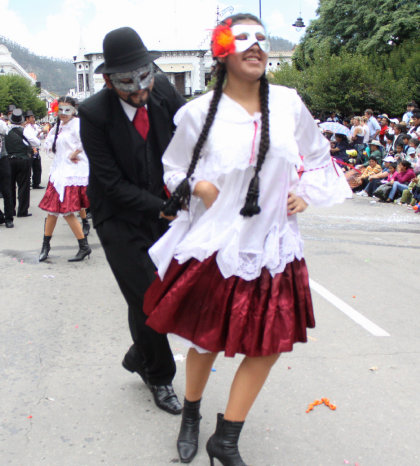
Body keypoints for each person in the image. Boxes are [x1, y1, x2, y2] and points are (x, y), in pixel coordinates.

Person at [143, 13, 352, 465]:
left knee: (269, 346)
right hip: (218, 245)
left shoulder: (289, 103)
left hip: (274, 246)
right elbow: (174, 167)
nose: (256, 45)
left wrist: (303, 193)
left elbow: (317, 157)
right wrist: (197, 186)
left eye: (262, 37)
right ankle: (192, 414)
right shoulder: (198, 112)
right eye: (243, 38)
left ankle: (227, 438)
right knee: (206, 341)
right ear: (222, 51)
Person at [78, 27, 185, 415]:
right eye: (128, 84)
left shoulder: (163, 93)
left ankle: (139, 351)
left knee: (165, 291)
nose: (140, 92)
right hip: (118, 216)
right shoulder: (93, 114)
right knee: (147, 295)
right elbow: (109, 181)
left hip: (165, 207)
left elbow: (191, 137)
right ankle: (159, 375)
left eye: (145, 78)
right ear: (108, 80)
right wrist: (160, 206)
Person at [38, 96, 91, 262]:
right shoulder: (58, 126)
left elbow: (88, 140)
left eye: (67, 109)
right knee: (52, 211)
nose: (63, 113)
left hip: (71, 174)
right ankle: (45, 246)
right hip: (58, 173)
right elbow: (50, 146)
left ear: (74, 110)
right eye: (60, 109)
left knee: (66, 212)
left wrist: (75, 153)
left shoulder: (77, 124)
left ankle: (84, 246)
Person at [5, 108, 39, 218]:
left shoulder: (5, 130)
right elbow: (36, 142)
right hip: (23, 160)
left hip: (9, 160)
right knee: (23, 185)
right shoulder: (25, 131)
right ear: (21, 120)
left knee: (10, 186)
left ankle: (11, 210)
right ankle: (22, 210)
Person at [24, 110, 44, 189]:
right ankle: (27, 183)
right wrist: (38, 137)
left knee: (37, 166)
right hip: (29, 148)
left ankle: (36, 183)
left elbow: (39, 135)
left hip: (35, 149)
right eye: (31, 117)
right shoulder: (26, 127)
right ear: (27, 119)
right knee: (28, 167)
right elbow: (31, 138)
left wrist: (41, 133)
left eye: (33, 117)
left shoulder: (35, 126)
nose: (33, 119)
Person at [0, 118, 14, 228]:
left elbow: (5, 130)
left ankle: (9, 218)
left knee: (6, 191)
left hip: (2, 160)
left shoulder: (2, 125)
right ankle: (0, 216)